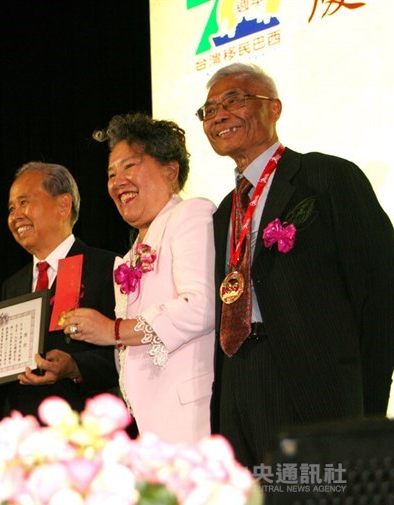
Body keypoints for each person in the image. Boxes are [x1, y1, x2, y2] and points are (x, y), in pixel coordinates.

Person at [198, 63, 394, 467]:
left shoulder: (327, 177)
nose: (217, 115)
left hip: (316, 385)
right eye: (209, 109)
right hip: (240, 384)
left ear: (275, 108)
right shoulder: (223, 213)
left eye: (233, 100)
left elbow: (381, 292)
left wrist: (367, 405)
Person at [56, 114, 215, 444]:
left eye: (129, 166)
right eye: (112, 173)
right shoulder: (130, 255)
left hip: (192, 415)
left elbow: (201, 306)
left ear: (171, 171)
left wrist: (112, 330)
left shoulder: (191, 214)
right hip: (150, 422)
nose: (117, 181)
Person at [0, 162, 119, 422]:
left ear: (63, 205)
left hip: (85, 429)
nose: (15, 216)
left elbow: (127, 351)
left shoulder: (108, 267)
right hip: (23, 433)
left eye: (24, 203)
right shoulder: (12, 285)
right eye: (11, 208)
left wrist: (75, 367)